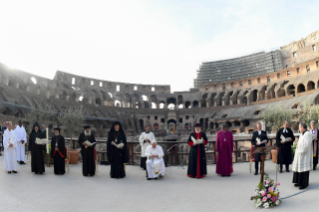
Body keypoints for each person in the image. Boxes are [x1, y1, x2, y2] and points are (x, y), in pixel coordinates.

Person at [292, 123, 313, 190]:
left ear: (303, 127)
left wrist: (299, 145)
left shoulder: (308, 134)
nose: (299, 129)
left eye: (299, 127)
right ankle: (299, 182)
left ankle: (304, 184)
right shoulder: (301, 134)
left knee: (304, 169)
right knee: (299, 169)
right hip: (300, 155)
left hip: (305, 156)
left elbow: (306, 145)